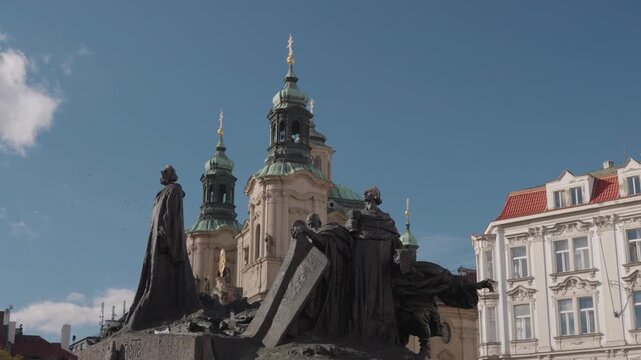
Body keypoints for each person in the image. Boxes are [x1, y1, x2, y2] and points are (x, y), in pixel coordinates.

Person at [124, 165, 201, 331]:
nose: (161, 175)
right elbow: (167, 218)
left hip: (162, 242)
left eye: (164, 173)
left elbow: (170, 217)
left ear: (170, 175)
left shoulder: (173, 191)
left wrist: (166, 238)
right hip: (161, 242)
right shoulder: (165, 194)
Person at [392, 248, 494, 359]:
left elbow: (453, 280)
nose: (401, 268)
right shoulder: (394, 274)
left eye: (402, 263)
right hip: (403, 305)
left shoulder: (427, 268)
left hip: (423, 304)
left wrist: (478, 285)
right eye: (398, 263)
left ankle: (425, 348)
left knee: (419, 316)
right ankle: (397, 346)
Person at [346, 186, 402, 344]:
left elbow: (395, 241)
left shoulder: (387, 220)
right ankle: (360, 329)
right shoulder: (357, 215)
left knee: (381, 293)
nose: (369, 204)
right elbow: (348, 235)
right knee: (362, 291)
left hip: (382, 261)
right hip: (362, 259)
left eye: (372, 201)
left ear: (377, 201)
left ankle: (382, 332)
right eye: (367, 201)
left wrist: (399, 256)